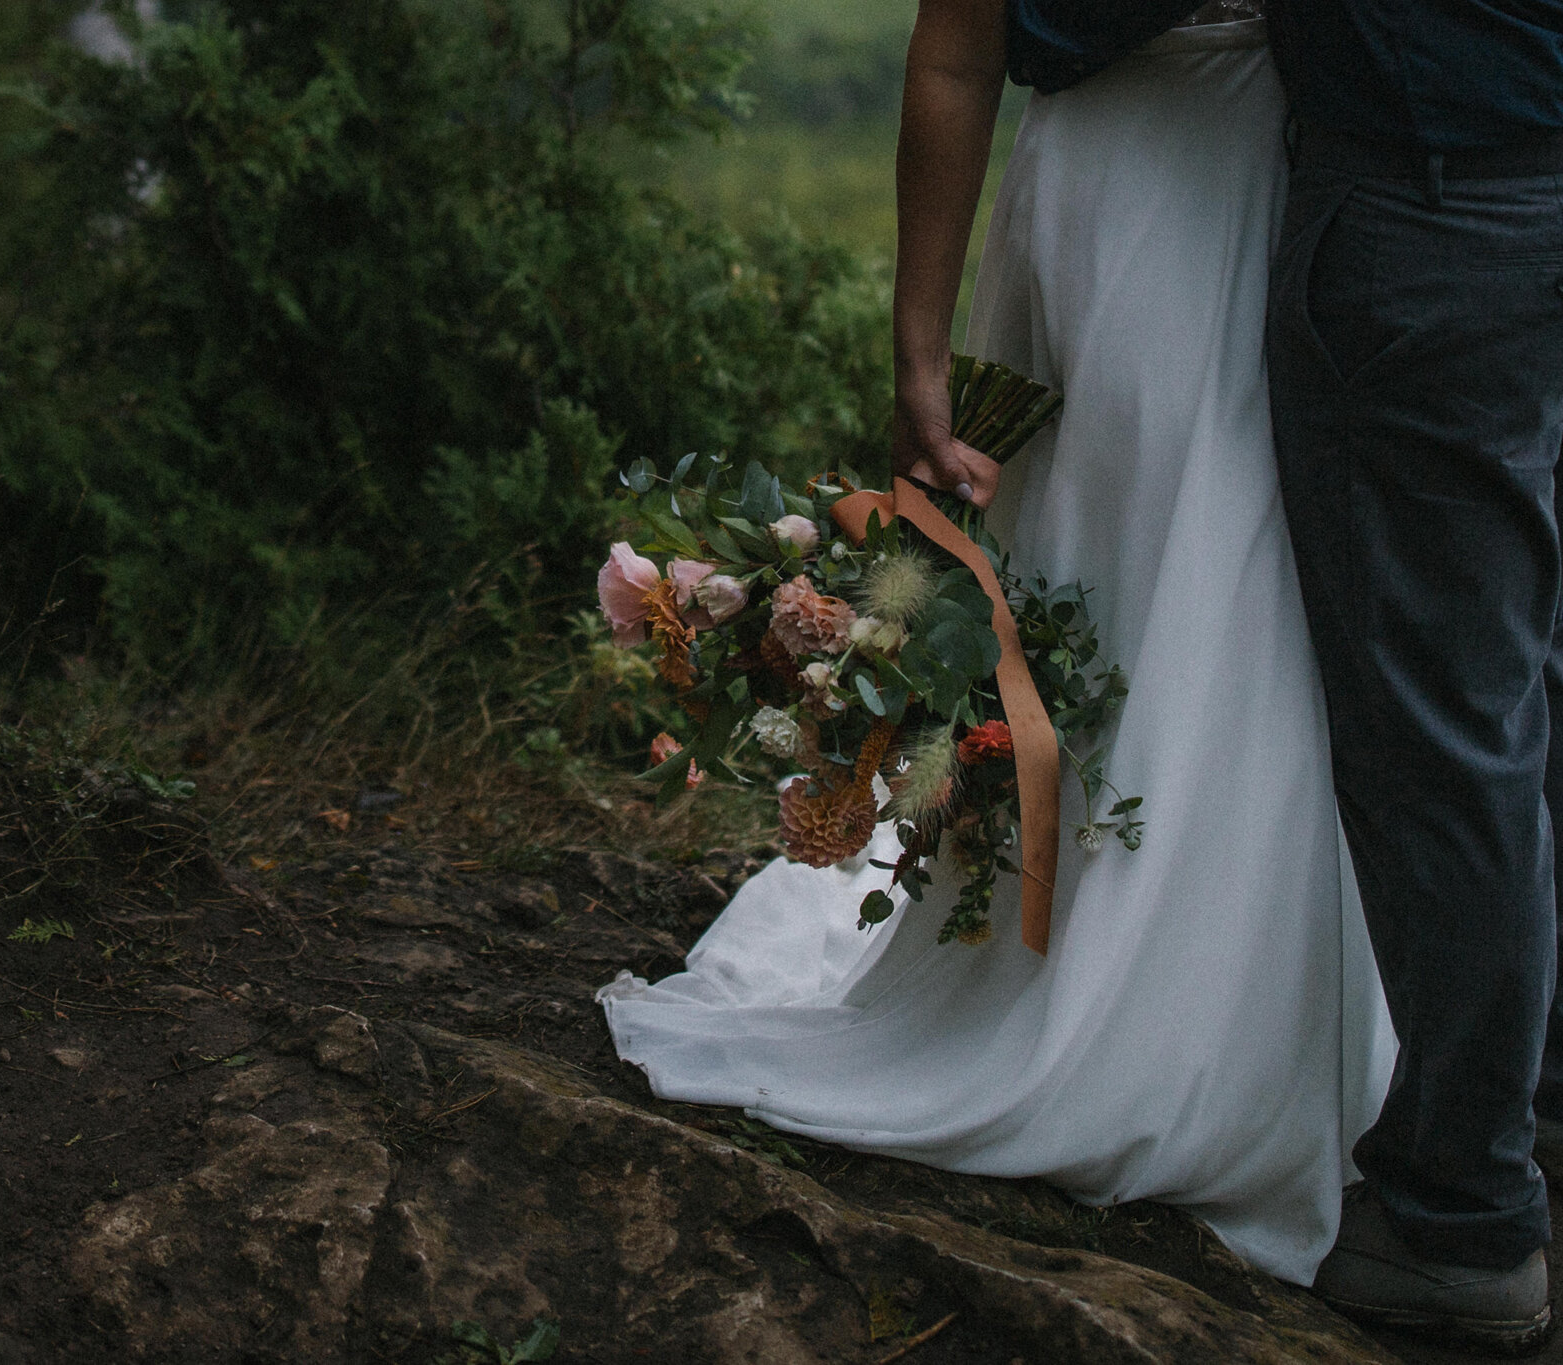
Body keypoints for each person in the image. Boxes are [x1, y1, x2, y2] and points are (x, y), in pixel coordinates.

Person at [598, 0, 1405, 1305]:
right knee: (1145, 577)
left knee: (1262, 617)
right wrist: (917, 345)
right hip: (1133, 202)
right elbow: (958, 40)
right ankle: (1148, 1019)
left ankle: (1264, 1026)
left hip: (1328, 190)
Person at [1259, 1, 1563, 1351]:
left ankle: (1462, 1213)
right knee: (1527, 679)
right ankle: (1532, 1101)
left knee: (1443, 725)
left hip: (1436, 202)